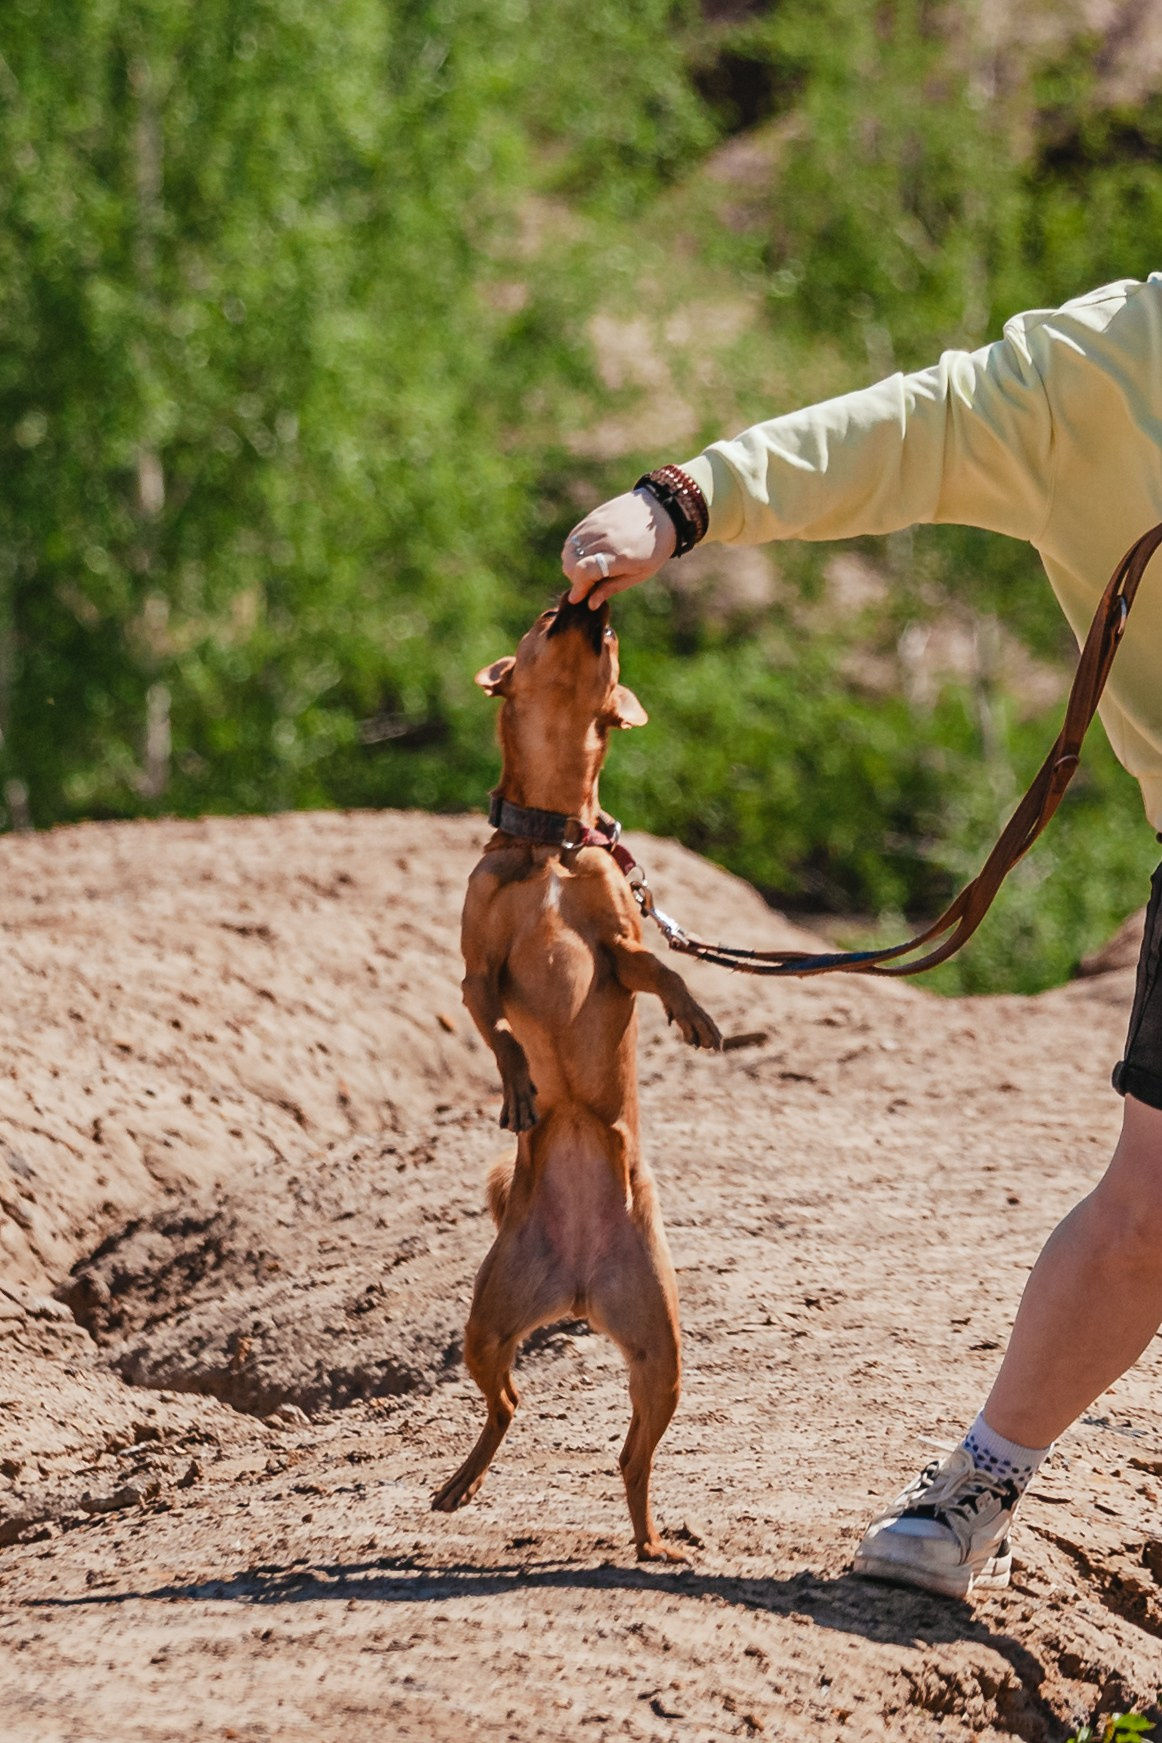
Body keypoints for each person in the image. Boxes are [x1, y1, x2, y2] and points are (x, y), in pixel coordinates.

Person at [560, 274, 1162, 1601]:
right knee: (1150, 1208)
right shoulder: (1096, 369)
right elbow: (902, 430)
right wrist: (680, 503)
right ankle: (977, 1489)